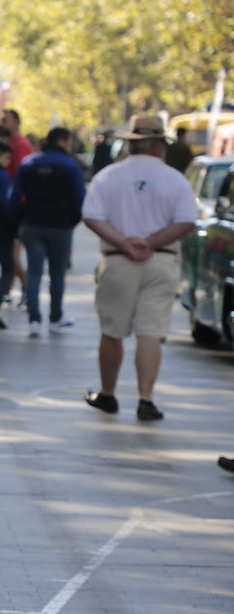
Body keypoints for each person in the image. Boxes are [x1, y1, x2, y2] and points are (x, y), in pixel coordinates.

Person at [82, 114, 199, 421]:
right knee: (151, 332)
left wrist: (124, 243)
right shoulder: (175, 179)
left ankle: (108, 394)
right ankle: (146, 399)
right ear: (160, 144)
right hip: (160, 260)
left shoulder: (108, 176)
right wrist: (150, 241)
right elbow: (186, 221)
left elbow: (92, 217)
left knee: (112, 331)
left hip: (118, 260)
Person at [11, 126, 86, 337]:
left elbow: (15, 197)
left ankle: (34, 319)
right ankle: (55, 317)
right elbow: (80, 199)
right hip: (61, 226)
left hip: (33, 224)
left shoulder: (28, 163)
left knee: (34, 273)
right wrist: (71, 222)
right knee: (57, 275)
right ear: (63, 141)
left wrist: (18, 221)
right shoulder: (71, 165)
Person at [0, 140, 24, 313]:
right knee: (7, 268)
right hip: (2, 229)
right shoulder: (2, 176)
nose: (9, 161)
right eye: (7, 157)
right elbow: (5, 203)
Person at [0, 109, 32, 174]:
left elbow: (20, 171)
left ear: (15, 122)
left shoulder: (20, 144)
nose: (1, 124)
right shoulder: (8, 141)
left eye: (5, 120)